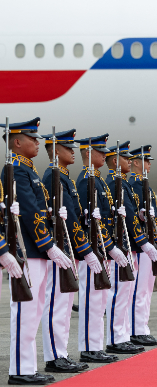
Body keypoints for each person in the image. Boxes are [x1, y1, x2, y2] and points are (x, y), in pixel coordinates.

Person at [1, 118, 73, 385]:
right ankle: (19, 370)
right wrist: (48, 245)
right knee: (25, 311)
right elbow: (29, 213)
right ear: (17, 142)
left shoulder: (29, 171)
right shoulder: (17, 169)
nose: (37, 142)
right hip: (28, 250)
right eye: (32, 138)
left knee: (35, 310)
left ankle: (27, 367)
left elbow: (39, 210)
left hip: (37, 251)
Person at [40, 129, 91, 373]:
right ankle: (53, 357)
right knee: (56, 304)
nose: (73, 151)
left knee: (64, 304)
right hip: (60, 247)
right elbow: (67, 218)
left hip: (69, 248)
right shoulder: (53, 176)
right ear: (56, 151)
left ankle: (61, 352)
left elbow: (74, 216)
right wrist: (83, 248)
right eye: (68, 147)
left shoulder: (64, 177)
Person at [75, 134, 120, 365]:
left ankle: (96, 345)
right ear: (89, 154)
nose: (105, 155)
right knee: (91, 299)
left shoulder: (99, 180)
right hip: (93, 247)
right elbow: (88, 219)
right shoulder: (85, 180)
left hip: (102, 246)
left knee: (100, 299)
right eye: (100, 152)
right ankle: (88, 347)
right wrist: (105, 246)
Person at [127, 145, 157, 345]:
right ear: (137, 163)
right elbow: (138, 217)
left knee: (146, 290)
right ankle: (137, 330)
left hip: (150, 243)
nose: (149, 164)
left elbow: (152, 217)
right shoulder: (135, 185)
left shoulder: (144, 185)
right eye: (146, 161)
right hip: (141, 245)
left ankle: (142, 328)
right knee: (139, 291)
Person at [103, 141, 145, 354]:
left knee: (126, 293)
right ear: (113, 161)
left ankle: (123, 335)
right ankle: (116, 338)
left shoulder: (122, 183)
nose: (129, 160)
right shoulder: (113, 183)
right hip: (119, 244)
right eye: (124, 158)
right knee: (118, 293)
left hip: (127, 243)